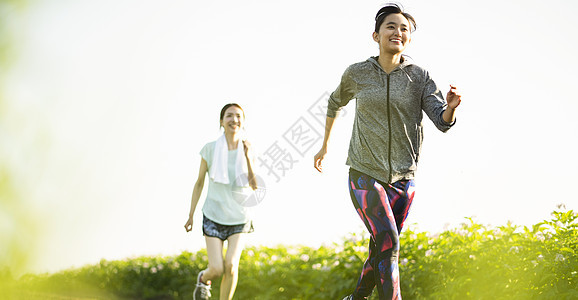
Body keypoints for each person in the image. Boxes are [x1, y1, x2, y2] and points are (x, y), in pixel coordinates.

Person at [313, 4, 462, 300]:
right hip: (364, 173)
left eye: (404, 29)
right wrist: (325, 144)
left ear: (409, 38)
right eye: (391, 27)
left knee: (381, 246)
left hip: (404, 180)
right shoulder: (357, 73)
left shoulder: (419, 76)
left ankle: (356, 297)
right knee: (389, 245)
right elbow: (334, 102)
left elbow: (440, 120)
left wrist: (451, 109)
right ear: (376, 35)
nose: (398, 32)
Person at [184, 103, 258, 300]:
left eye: (238, 116)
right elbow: (199, 183)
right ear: (221, 121)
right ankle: (203, 278)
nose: (234, 119)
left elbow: (254, 185)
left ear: (243, 122)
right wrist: (191, 215)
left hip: (239, 217)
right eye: (229, 116)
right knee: (216, 269)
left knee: (231, 266)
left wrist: (249, 158)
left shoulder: (247, 148)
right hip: (214, 214)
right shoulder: (209, 149)